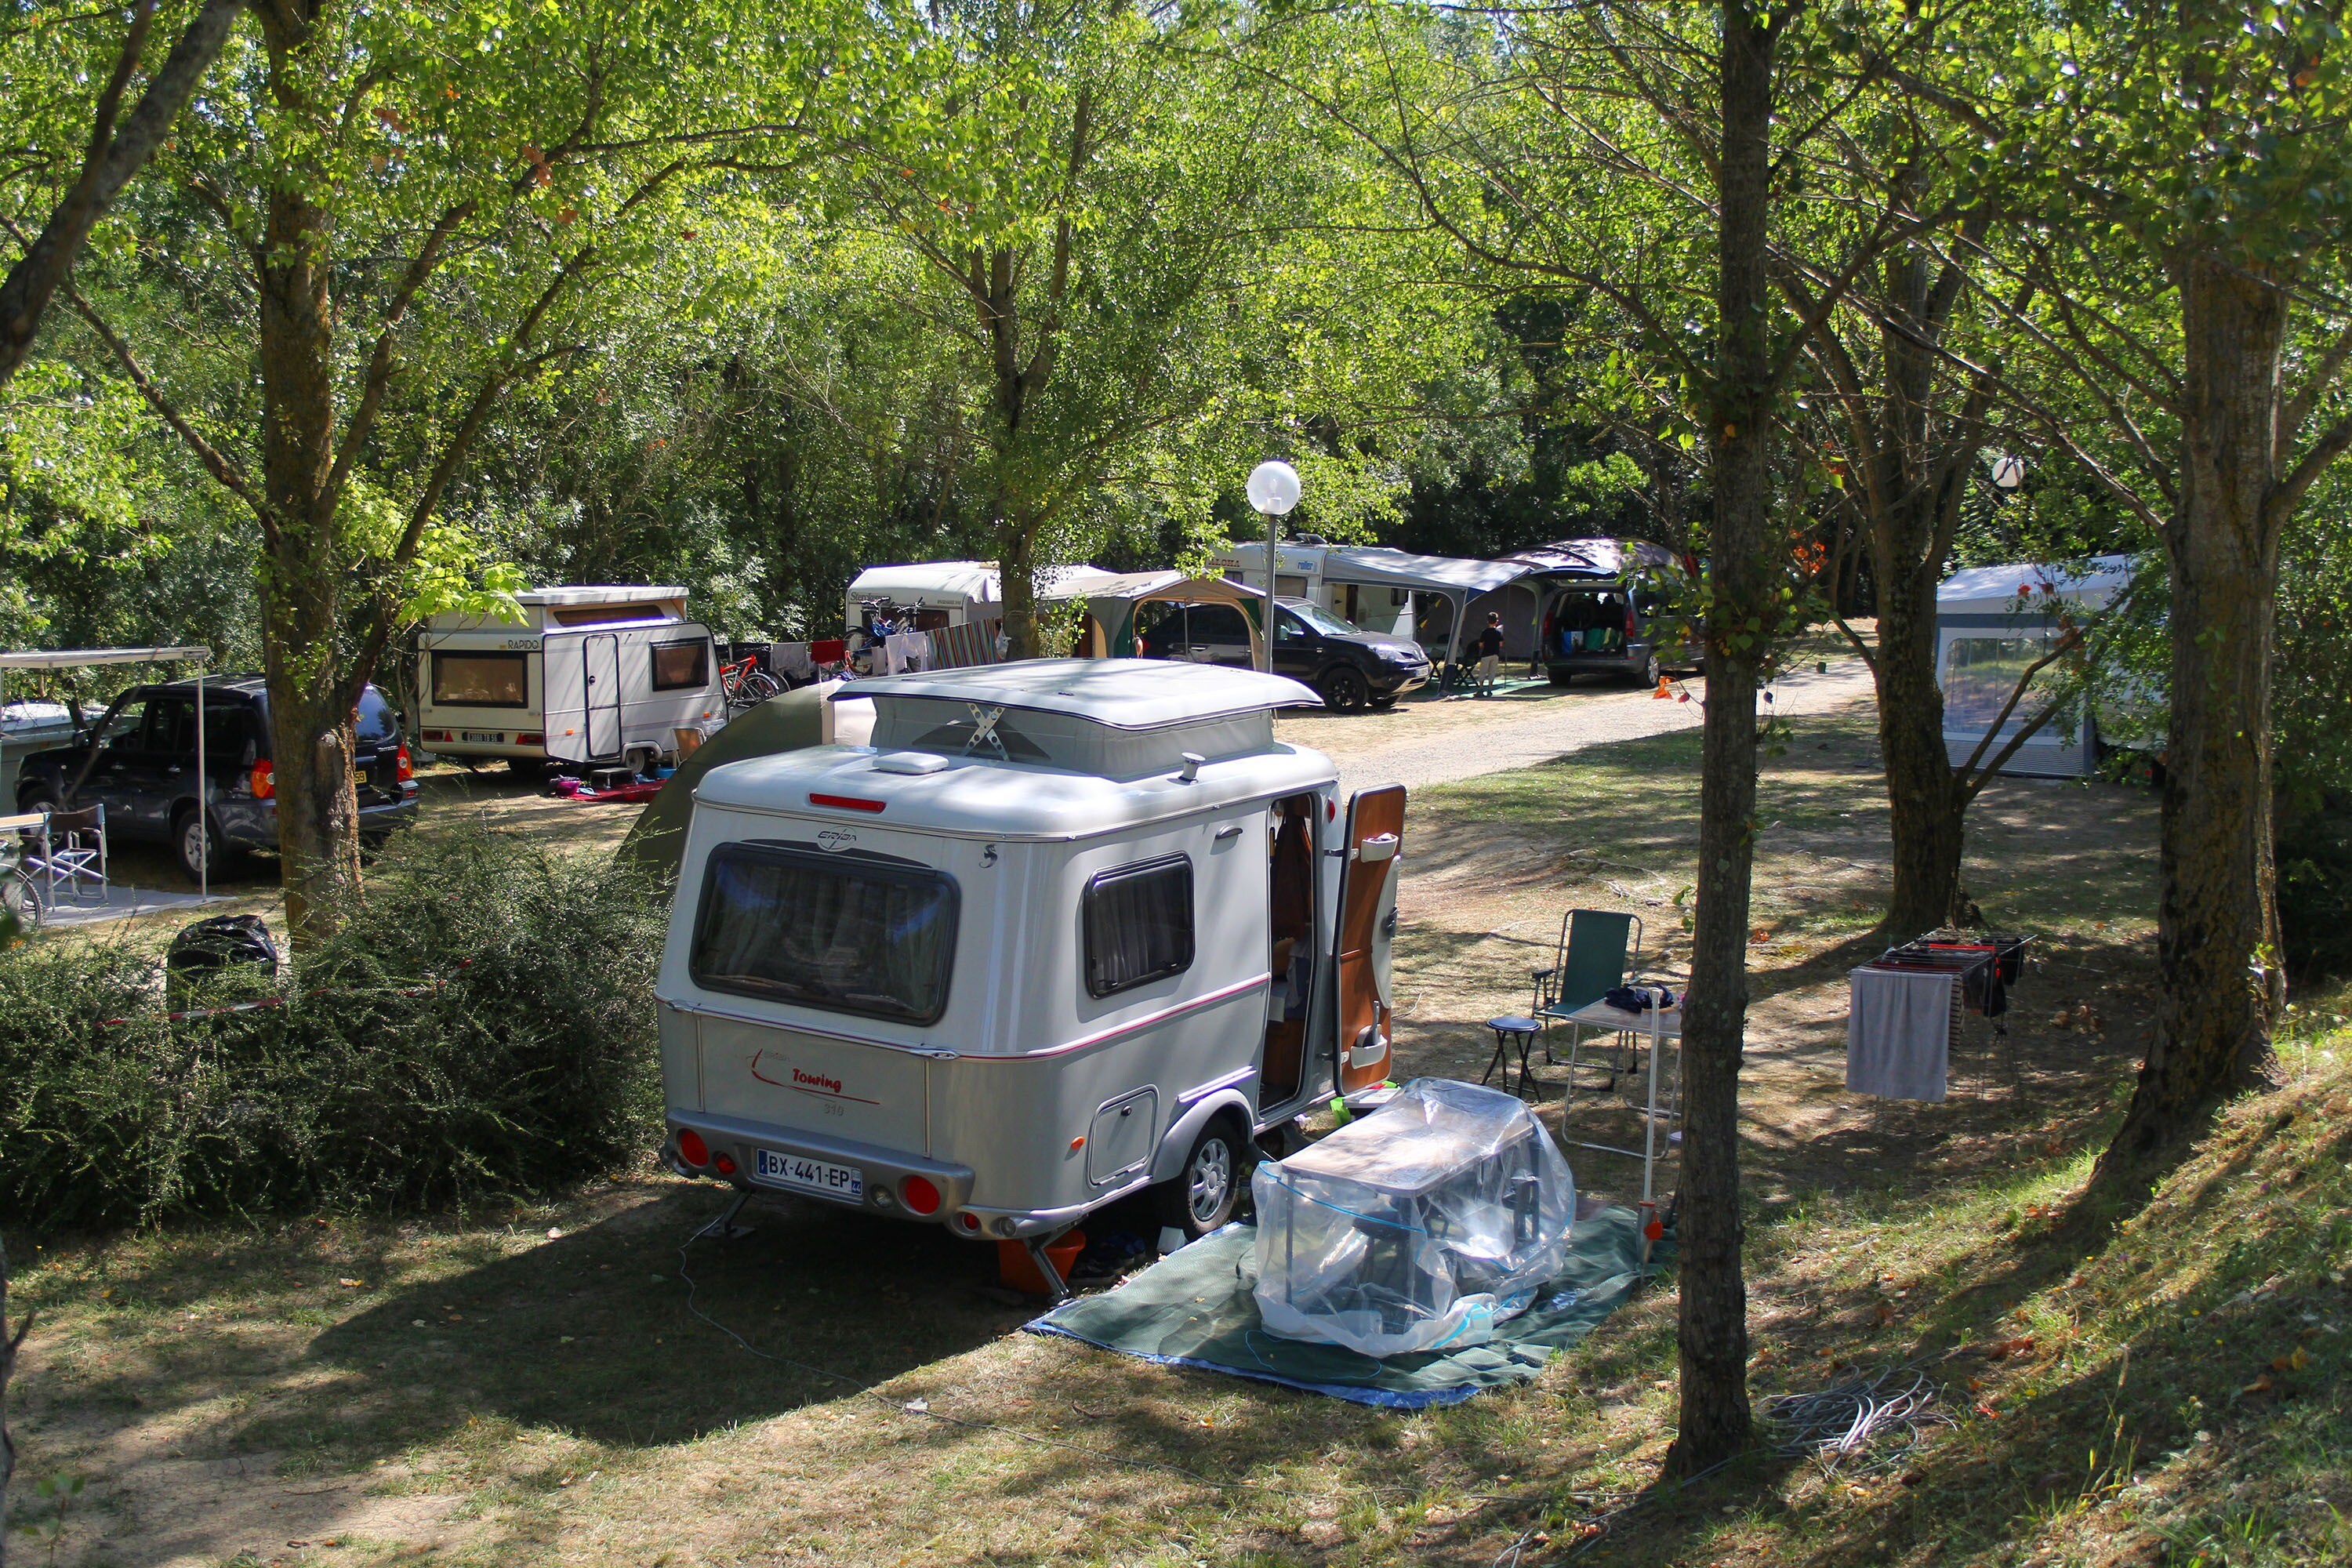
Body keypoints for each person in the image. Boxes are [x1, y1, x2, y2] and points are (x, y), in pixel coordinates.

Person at [1471, 612, 1506, 695]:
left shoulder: (1485, 632)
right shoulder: (1498, 632)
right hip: (1495, 654)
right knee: (1492, 672)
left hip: (1486, 654)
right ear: (1496, 622)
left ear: (1487, 621)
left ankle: (1481, 688)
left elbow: (1480, 644)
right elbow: (1501, 644)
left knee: (1483, 671)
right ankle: (1490, 689)